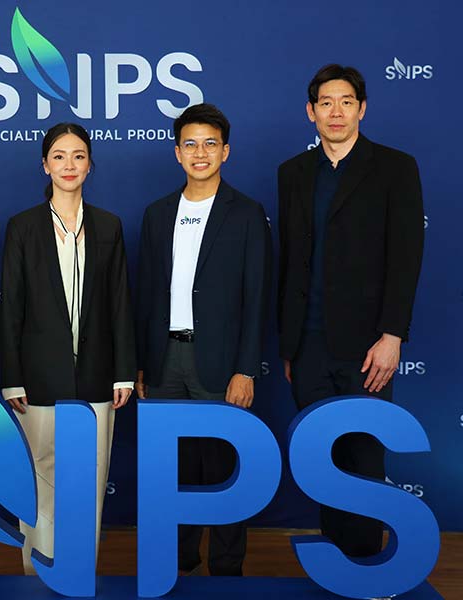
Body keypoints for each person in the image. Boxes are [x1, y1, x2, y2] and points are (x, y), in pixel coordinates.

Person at [277, 64, 424, 563]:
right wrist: (290, 343)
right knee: (324, 459)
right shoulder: (293, 173)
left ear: (362, 108)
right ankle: (337, 568)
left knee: (363, 456)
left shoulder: (395, 167)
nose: (335, 112)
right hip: (308, 344)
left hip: (367, 346)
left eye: (345, 102)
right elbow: (291, 260)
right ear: (310, 112)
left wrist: (393, 334)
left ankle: (366, 569)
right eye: (325, 103)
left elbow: (406, 256)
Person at [134, 103, 272, 577]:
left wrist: (246, 369)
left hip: (220, 361)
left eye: (210, 144)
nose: (200, 153)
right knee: (172, 471)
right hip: (165, 360)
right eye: (190, 144)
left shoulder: (247, 213)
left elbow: (257, 297)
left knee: (223, 468)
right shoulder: (156, 214)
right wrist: (141, 363)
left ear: (225, 151)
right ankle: (177, 563)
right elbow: (146, 294)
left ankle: (227, 570)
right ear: (177, 153)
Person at [0, 122, 135, 575]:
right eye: (59, 156)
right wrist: (12, 378)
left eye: (78, 156)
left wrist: (123, 370)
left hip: (97, 375)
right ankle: (36, 571)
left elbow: (120, 302)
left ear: (90, 164)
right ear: (45, 165)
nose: (69, 165)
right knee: (38, 478)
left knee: (90, 479)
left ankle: (79, 571)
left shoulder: (109, 226)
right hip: (36, 378)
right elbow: (11, 309)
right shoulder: (22, 227)